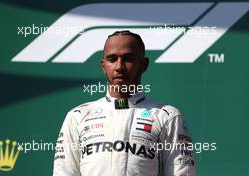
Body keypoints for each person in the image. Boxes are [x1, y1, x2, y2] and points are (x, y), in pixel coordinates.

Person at [53, 30, 196, 176]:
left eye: (128, 58)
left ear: (144, 64)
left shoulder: (167, 116)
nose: (119, 67)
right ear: (103, 66)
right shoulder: (77, 116)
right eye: (112, 59)